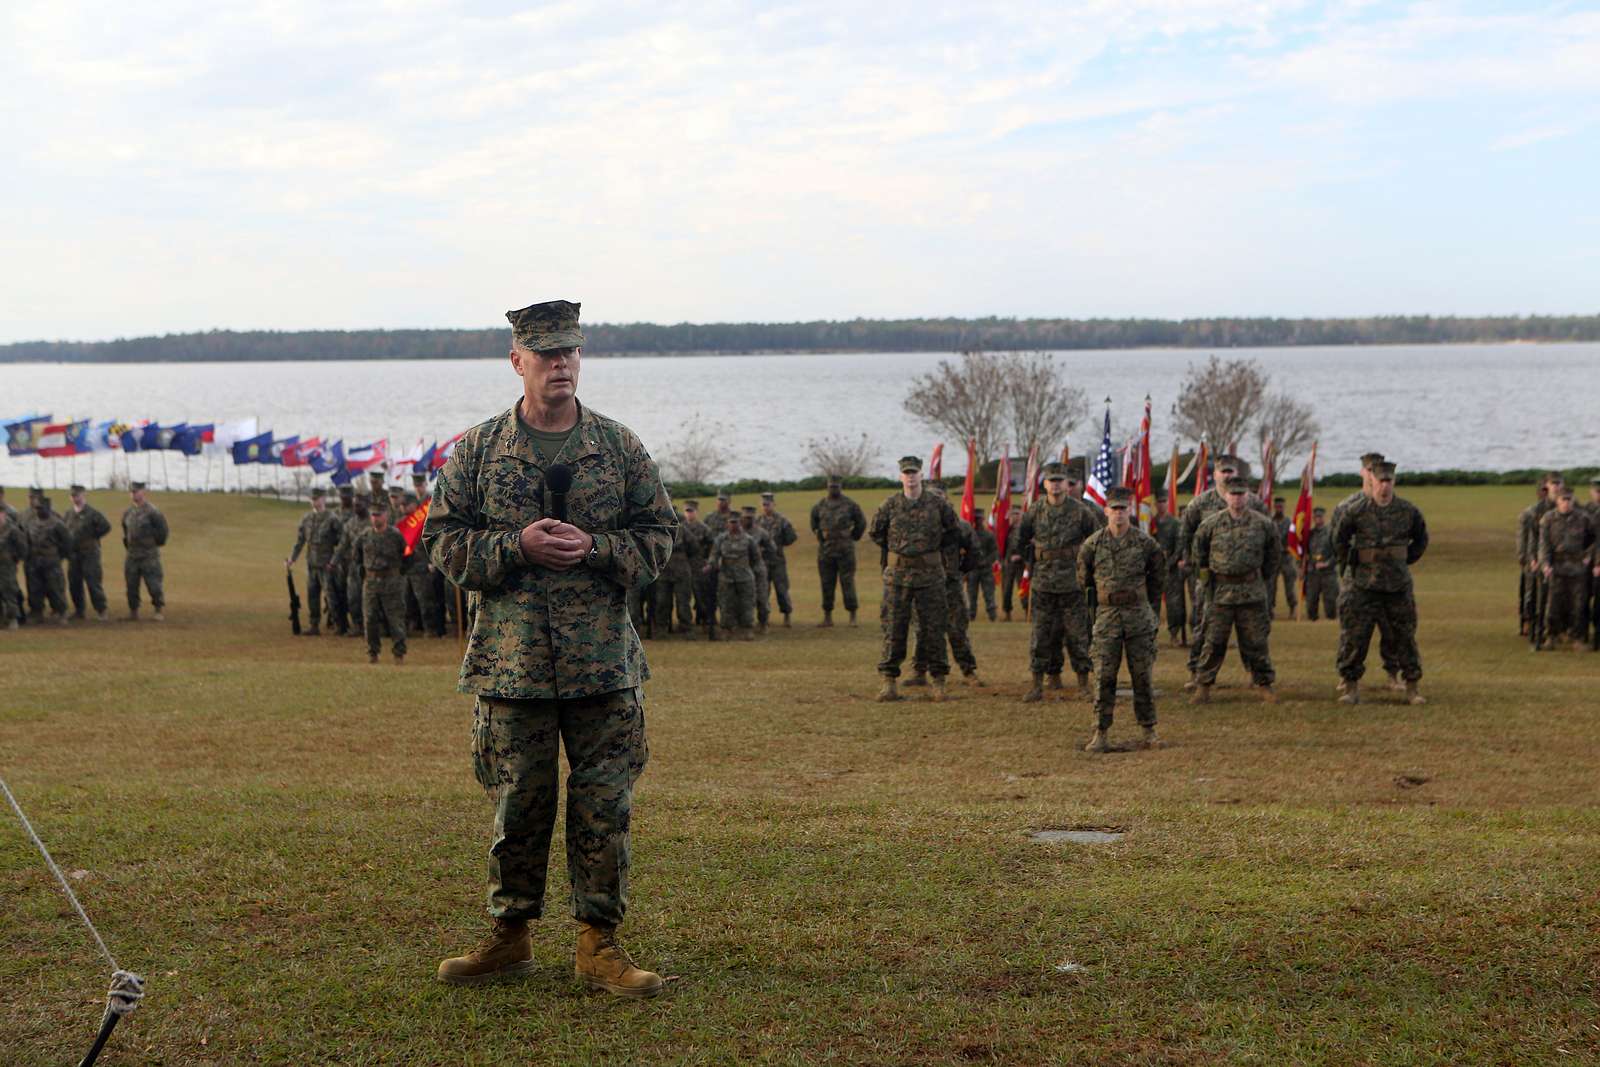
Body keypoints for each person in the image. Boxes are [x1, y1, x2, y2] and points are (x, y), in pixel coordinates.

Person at [425, 299, 673, 996]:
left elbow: (659, 536)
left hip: (602, 663)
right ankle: (509, 936)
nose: (561, 363)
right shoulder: (477, 450)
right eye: (546, 353)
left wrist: (597, 548)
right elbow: (441, 539)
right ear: (518, 361)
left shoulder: (619, 447)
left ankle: (599, 941)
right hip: (513, 663)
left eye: (570, 351)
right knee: (519, 804)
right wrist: (513, 545)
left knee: (604, 806)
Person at [1333, 461, 1429, 705]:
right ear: (1372, 481)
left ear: (1394, 482)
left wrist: (1404, 560)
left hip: (1397, 586)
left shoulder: (1408, 511)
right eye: (1381, 481)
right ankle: (1351, 687)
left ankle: (1412, 687)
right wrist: (1353, 562)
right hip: (1363, 585)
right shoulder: (1356, 511)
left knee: (1405, 637)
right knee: (1355, 637)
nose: (1385, 486)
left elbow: (1420, 539)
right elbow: (1339, 540)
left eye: (1389, 481)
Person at [1078, 486, 1165, 751]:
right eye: (1114, 509)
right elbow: (1083, 580)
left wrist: (1148, 608)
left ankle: (1149, 730)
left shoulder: (1145, 543)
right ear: (1106, 511)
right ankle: (1101, 732)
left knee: (1142, 676)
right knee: (1104, 676)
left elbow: (1158, 577)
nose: (1119, 514)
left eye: (1123, 509)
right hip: (1106, 617)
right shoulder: (1092, 545)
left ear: (1131, 511)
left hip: (1138, 615)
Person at [869, 456, 956, 702]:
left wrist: (930, 553)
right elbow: (876, 532)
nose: (910, 476)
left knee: (934, 629)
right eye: (906, 473)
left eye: (914, 472)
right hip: (897, 578)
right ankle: (889, 682)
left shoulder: (937, 504)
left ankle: (938, 682)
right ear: (900, 476)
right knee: (894, 628)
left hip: (930, 577)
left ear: (921, 475)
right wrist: (900, 553)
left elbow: (953, 531)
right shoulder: (890, 505)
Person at [1015, 461, 1101, 703]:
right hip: (1043, 584)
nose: (1055, 485)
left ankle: (1084, 683)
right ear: (1044, 484)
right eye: (1051, 481)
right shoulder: (1035, 511)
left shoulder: (1081, 511)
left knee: (1078, 636)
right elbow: (1020, 539)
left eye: (1060, 481)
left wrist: (1087, 568)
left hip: (1072, 584)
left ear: (1067, 484)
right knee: (1041, 635)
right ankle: (1037, 685)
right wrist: (1032, 561)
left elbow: (1096, 539)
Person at [1190, 476, 1281, 703]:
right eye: (1233, 494)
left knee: (1256, 640)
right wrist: (1207, 582)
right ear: (1226, 496)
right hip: (1221, 591)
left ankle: (1264, 684)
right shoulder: (1211, 524)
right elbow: (1198, 554)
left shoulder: (1263, 523)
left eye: (1241, 494)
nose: (1237, 498)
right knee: (1214, 641)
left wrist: (1261, 578)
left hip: (1251, 590)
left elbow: (1273, 555)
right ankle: (1204, 685)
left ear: (1248, 496)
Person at [1178, 455, 1265, 687]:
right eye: (1222, 471)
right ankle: (1197, 673)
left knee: (1252, 630)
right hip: (1211, 579)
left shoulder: (1254, 503)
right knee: (1204, 626)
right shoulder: (1200, 504)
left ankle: (1254, 675)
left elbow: (1268, 539)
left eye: (1231, 472)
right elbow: (1187, 536)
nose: (1227, 476)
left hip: (1247, 581)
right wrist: (1198, 569)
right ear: (1214, 474)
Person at [907, 484, 982, 687]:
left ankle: (969, 672)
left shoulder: (961, 526)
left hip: (951, 586)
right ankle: (919, 672)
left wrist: (958, 571)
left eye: (939, 498)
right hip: (923, 584)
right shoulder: (916, 527)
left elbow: (975, 552)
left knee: (957, 630)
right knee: (922, 630)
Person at [1538, 486, 1595, 649]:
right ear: (1557, 501)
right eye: (1563, 499)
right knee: (1553, 604)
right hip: (1556, 567)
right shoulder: (1548, 519)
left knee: (1579, 604)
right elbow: (1544, 545)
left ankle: (1577, 638)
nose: (1567, 503)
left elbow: (1595, 539)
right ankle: (1551, 636)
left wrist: (1589, 556)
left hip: (1577, 567)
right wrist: (1545, 564)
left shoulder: (1584, 518)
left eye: (1569, 499)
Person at [811, 475, 866, 627]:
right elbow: (814, 524)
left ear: (841, 487)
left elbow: (861, 522)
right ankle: (827, 616)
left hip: (845, 551)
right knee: (827, 584)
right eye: (831, 486)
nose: (833, 489)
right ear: (827, 487)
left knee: (847, 582)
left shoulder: (850, 505)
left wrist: (852, 537)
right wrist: (821, 538)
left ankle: (852, 616)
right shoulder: (819, 506)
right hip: (826, 552)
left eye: (836, 486)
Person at [358, 506, 409, 664]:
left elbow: (407, 556)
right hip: (371, 582)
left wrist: (397, 574)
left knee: (395, 619)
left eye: (378, 515)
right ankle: (373, 653)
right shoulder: (365, 536)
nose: (375, 518)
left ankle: (398, 653)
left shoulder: (395, 535)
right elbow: (357, 558)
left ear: (386, 515)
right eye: (373, 515)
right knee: (370, 618)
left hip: (391, 582)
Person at [286, 488, 340, 636]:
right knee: (312, 595)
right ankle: (314, 625)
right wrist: (292, 558)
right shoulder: (306, 519)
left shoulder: (332, 519)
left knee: (331, 595)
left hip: (327, 564)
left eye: (317, 498)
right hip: (312, 564)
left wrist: (335, 561)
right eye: (312, 499)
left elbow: (341, 542)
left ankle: (338, 624)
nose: (314, 501)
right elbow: (300, 541)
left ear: (324, 499)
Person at [121, 481, 169, 621]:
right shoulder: (128, 513)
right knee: (131, 584)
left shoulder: (153, 512)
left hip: (148, 554)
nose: (133, 494)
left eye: (136, 491)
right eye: (131, 492)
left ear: (143, 492)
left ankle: (158, 610)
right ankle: (133, 611)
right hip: (132, 554)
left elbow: (163, 532)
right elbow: (125, 530)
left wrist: (152, 545)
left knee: (154, 584)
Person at [63, 484, 112, 622]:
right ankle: (79, 610)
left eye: (77, 495)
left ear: (83, 495)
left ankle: (101, 610)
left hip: (90, 553)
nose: (75, 498)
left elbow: (106, 527)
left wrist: (93, 537)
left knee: (93, 582)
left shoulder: (93, 513)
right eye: (73, 496)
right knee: (74, 583)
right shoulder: (68, 514)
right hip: (74, 554)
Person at [707, 513, 759, 640]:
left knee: (747, 603)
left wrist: (745, 568)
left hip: (745, 577)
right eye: (731, 522)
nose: (733, 525)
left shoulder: (748, 539)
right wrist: (711, 564)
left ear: (739, 523)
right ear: (727, 524)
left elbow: (755, 557)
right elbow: (714, 554)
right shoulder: (721, 539)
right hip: (726, 577)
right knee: (726, 604)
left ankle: (747, 629)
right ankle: (727, 629)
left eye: (735, 522)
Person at [24, 496, 72, 624]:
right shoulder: (31, 523)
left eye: (42, 508)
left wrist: (58, 557)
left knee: (55, 587)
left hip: (51, 561)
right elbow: (27, 540)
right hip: (34, 562)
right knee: (35, 588)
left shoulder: (58, 524)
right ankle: (37, 612)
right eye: (37, 508)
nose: (39, 511)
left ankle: (61, 612)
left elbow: (67, 544)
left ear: (49, 509)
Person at [756, 492, 798, 627]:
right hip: (762, 561)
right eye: (763, 504)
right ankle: (764, 617)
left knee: (782, 589)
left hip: (777, 561)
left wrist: (779, 546)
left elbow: (791, 537)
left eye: (768, 504)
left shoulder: (782, 520)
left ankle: (787, 615)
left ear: (774, 504)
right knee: (763, 590)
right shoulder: (757, 521)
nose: (766, 507)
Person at [653, 504, 696, 636]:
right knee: (662, 602)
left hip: (681, 572)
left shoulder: (683, 530)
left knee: (683, 601)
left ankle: (686, 628)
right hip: (663, 572)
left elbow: (694, 547)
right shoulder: (657, 531)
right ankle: (661, 629)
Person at [1151, 490, 1184, 645]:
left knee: (1174, 604)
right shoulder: (1150, 523)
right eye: (1159, 501)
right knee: (1153, 603)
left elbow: (1179, 546)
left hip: (1171, 569)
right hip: (1154, 570)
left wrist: (1170, 562)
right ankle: (1151, 634)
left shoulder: (1175, 523)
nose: (1161, 504)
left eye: (1164, 501)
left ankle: (1174, 634)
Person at [740, 506, 777, 634]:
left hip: (757, 569)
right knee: (742, 598)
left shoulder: (761, 532)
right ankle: (744, 623)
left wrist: (763, 556)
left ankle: (763, 622)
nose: (747, 520)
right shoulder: (737, 532)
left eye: (750, 518)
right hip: (741, 570)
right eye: (745, 518)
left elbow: (773, 549)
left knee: (762, 597)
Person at [1303, 507, 1339, 621]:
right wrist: (1302, 564)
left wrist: (1327, 563)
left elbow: (1338, 553)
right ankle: (1312, 623)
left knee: (1330, 603)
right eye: (1316, 517)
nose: (1318, 519)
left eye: (1320, 517)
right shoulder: (1309, 534)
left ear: (1324, 517)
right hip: (1313, 574)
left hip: (1328, 574)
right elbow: (1303, 552)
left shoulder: (1331, 533)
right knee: (1311, 602)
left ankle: (1330, 622)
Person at [964, 506, 998, 622]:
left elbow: (994, 552)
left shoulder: (989, 535)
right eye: (976, 519)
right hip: (973, 570)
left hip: (986, 570)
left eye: (979, 518)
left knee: (989, 594)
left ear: (983, 519)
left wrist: (986, 561)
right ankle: (971, 615)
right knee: (971, 595)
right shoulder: (969, 535)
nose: (977, 521)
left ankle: (992, 615)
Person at [1269, 496, 1299, 620]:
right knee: (1271, 586)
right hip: (1273, 559)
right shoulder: (1269, 521)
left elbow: (1294, 539)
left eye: (1281, 506)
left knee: (1289, 587)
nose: (1279, 509)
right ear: (1274, 507)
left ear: (1284, 508)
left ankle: (1292, 609)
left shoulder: (1290, 523)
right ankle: (1269, 610)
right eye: (1277, 506)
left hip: (1286, 559)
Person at [0, 504, 26, 630]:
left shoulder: (12, 530)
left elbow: (23, 547)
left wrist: (15, 558)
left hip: (7, 566)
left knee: (9, 590)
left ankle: (13, 618)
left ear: (4, 514)